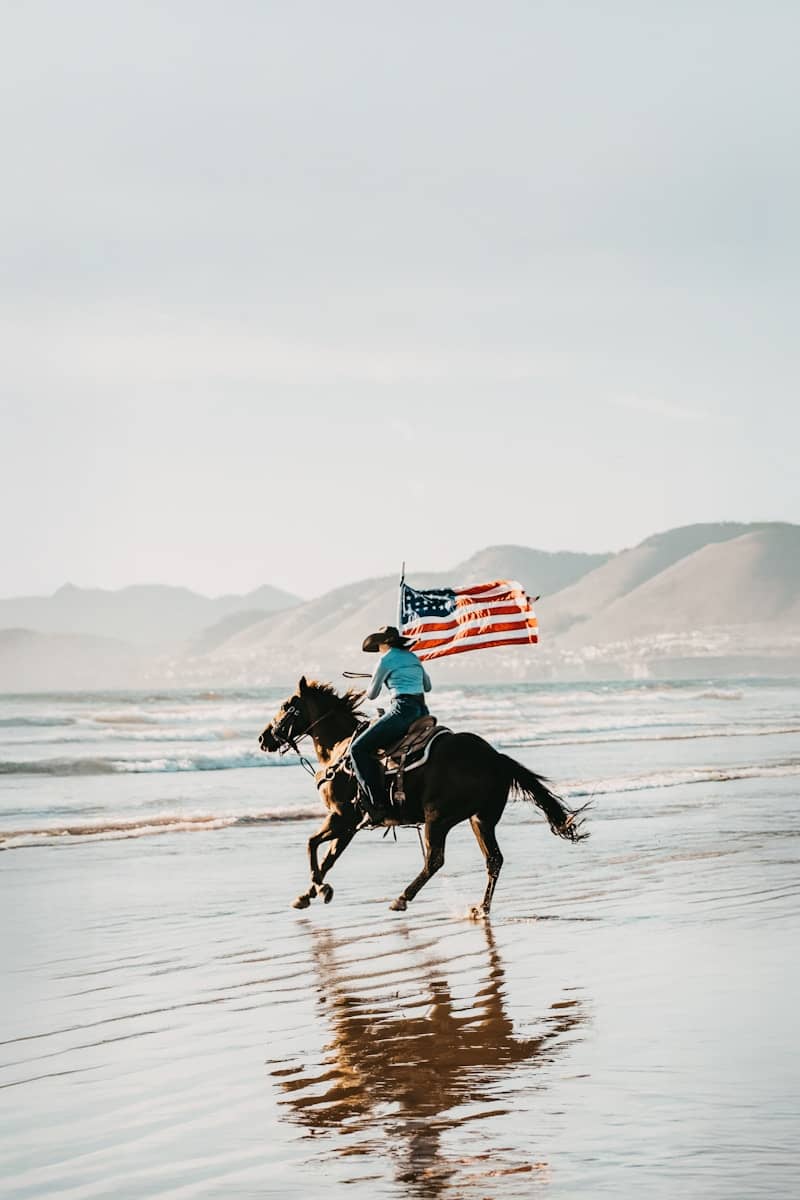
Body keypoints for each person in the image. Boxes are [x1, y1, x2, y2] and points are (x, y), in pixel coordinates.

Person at [349, 625, 432, 824]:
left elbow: (372, 694)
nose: (378, 648)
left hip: (403, 710)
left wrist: (379, 679)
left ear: (385, 643)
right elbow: (427, 687)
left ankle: (377, 805)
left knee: (357, 749)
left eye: (379, 644)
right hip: (423, 711)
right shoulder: (413, 657)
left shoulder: (385, 660)